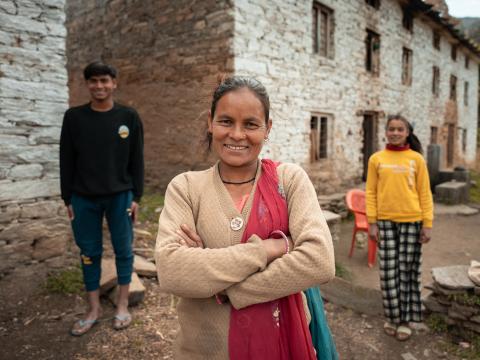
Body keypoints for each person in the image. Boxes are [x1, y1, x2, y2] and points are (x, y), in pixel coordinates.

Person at [155, 76, 337, 359]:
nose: (237, 134)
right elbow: (171, 271)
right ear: (210, 122)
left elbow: (319, 262)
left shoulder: (288, 182)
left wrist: (224, 285)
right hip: (203, 351)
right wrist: (268, 248)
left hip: (280, 348)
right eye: (226, 121)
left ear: (268, 129)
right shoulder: (186, 188)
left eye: (250, 124)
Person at [60, 61, 144, 336]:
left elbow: (137, 160)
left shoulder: (128, 117)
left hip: (120, 197)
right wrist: (67, 198)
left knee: (123, 251)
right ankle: (93, 309)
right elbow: (66, 160)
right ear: (87, 84)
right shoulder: (74, 118)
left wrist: (137, 196)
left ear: (114, 83)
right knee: (89, 253)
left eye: (104, 81)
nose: (99, 86)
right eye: (94, 81)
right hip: (83, 199)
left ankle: (122, 305)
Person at [366, 114, 433, 341]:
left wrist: (428, 224)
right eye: (391, 129)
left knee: (408, 272)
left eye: (400, 129)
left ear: (407, 132)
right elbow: (371, 192)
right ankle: (392, 316)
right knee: (388, 273)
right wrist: (372, 223)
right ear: (386, 131)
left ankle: (405, 319)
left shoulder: (416, 159)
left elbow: (425, 193)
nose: (395, 132)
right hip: (384, 222)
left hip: (412, 222)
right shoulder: (376, 159)